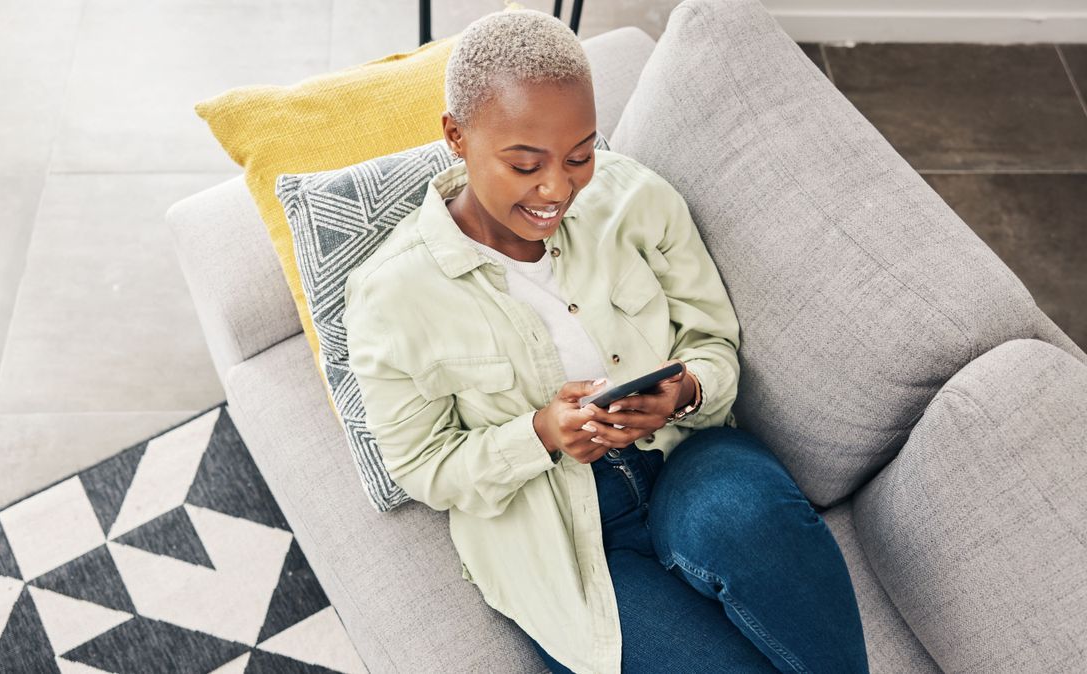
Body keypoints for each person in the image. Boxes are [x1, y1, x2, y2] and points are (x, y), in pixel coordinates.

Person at [343, 8, 870, 673]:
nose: (556, 189)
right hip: (560, 543)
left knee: (753, 529)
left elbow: (712, 344)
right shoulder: (390, 297)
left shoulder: (636, 201)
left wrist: (683, 390)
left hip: (692, 460)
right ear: (456, 136)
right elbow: (423, 466)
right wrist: (539, 432)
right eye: (525, 164)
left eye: (580, 155)